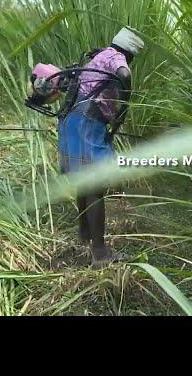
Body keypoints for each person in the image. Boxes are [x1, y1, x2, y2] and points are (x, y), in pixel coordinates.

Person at [57, 27, 143, 267]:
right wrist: (124, 104)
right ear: (130, 52)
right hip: (87, 123)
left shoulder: (100, 55)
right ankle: (100, 253)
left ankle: (85, 235)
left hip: (71, 121)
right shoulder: (118, 59)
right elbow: (124, 75)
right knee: (95, 185)